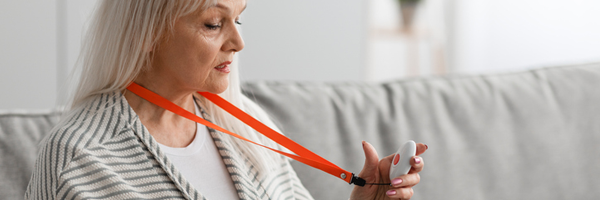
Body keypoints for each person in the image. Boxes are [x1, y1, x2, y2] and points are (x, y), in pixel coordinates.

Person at [25, 0, 427, 199]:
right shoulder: (78, 159)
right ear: (145, 32)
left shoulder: (248, 123)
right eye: (213, 24)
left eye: (239, 18)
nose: (238, 42)